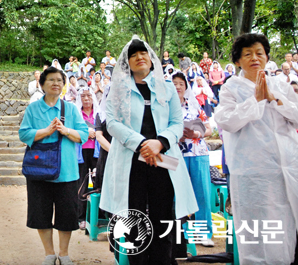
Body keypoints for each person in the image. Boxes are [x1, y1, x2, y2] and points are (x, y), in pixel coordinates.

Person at [100, 37, 197, 264]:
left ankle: (163, 260)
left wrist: (160, 142)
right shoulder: (117, 89)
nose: (139, 58)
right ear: (127, 62)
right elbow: (112, 123)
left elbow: (176, 123)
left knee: (162, 215)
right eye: (133, 55)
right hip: (130, 161)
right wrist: (143, 144)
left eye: (143, 53)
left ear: (151, 59)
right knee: (134, 218)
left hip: (162, 160)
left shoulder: (168, 87)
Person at [215, 33, 298, 264]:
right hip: (254, 172)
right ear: (238, 61)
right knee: (257, 231)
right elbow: (227, 121)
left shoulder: (281, 85)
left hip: (287, 169)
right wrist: (256, 100)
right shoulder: (231, 88)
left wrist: (275, 99)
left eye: (259, 53)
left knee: (285, 228)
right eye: (247, 54)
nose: (255, 58)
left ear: (267, 57)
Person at [19, 67, 89, 265]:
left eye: (59, 80)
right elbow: (23, 134)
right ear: (42, 84)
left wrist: (65, 130)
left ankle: (64, 254)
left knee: (67, 215)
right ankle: (49, 254)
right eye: (51, 80)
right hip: (39, 171)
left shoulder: (71, 109)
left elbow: (83, 135)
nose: (55, 83)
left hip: (67, 172)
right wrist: (45, 131)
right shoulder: (33, 109)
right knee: (41, 214)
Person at [172, 72, 214, 247]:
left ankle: (204, 233)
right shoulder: (166, 108)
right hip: (176, 154)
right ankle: (179, 235)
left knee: (201, 193)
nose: (178, 87)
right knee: (177, 195)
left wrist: (196, 133)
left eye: (181, 83)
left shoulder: (195, 106)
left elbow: (209, 129)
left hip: (198, 153)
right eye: (174, 83)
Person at [74, 87, 100, 230]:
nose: (86, 98)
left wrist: (96, 133)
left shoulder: (98, 114)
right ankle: (81, 217)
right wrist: (86, 133)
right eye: (83, 96)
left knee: (94, 184)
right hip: (81, 153)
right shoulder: (78, 115)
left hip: (96, 153)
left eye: (89, 96)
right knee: (82, 184)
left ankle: (93, 216)